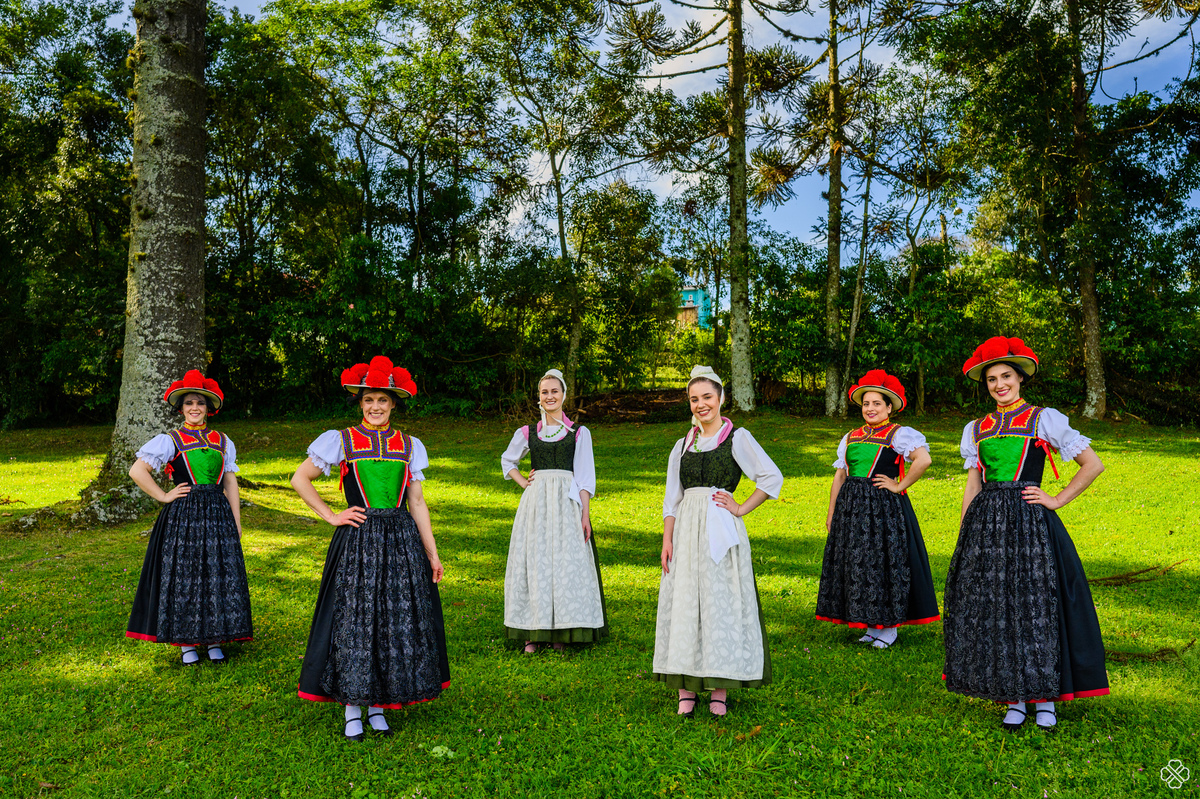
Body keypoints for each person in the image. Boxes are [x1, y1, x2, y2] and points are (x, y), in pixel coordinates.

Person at [944, 337, 1109, 732]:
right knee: (998, 608)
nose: (999, 384)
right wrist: (966, 531)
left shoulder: (1043, 419)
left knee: (1035, 605)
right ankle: (1014, 697)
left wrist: (1056, 499)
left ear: (1020, 378)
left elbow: (1092, 464)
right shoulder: (976, 428)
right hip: (987, 525)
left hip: (1030, 524)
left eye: (1006, 376)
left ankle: (1044, 698)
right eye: (991, 379)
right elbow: (974, 483)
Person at [291, 357, 449, 741]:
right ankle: (351, 708)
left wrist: (432, 553)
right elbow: (300, 478)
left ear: (393, 404)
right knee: (355, 619)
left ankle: (378, 705)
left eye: (382, 400)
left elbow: (417, 502)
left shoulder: (409, 445)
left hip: (400, 542)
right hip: (358, 540)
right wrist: (332, 515)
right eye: (368, 400)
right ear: (360, 403)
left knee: (391, 621)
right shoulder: (341, 440)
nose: (375, 407)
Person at [653, 365, 783, 717]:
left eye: (707, 397)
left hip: (720, 530)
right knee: (686, 602)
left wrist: (740, 508)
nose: (701, 404)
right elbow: (671, 499)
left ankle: (719, 689)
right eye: (694, 399)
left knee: (719, 603)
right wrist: (667, 539)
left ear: (721, 397)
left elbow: (771, 477)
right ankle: (685, 688)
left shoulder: (736, 438)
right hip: (686, 531)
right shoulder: (682, 445)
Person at [126, 370, 252, 665]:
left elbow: (230, 481)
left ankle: (214, 638)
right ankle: (187, 643)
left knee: (216, 573)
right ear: (181, 409)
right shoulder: (170, 440)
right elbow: (137, 470)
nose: (195, 408)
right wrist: (163, 495)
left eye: (200, 403)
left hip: (218, 514)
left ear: (209, 408)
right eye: (189, 403)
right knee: (187, 574)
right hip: (185, 516)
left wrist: (236, 520)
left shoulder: (223, 440)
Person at [815, 369, 939, 648]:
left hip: (883, 510)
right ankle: (871, 624)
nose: (870, 408)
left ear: (889, 407)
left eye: (877, 404)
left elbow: (923, 460)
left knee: (884, 562)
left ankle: (889, 627)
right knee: (858, 561)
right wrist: (832, 512)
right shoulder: (851, 437)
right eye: (866, 404)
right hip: (851, 509)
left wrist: (899, 485)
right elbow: (840, 475)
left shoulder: (899, 434)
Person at [501, 368, 606, 652]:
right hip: (536, 504)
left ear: (563, 395)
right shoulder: (528, 432)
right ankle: (533, 631)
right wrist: (524, 482)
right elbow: (508, 461)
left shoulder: (578, 433)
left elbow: (584, 477)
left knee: (563, 562)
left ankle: (562, 629)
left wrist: (585, 514)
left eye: (554, 391)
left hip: (566, 503)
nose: (549, 396)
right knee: (536, 561)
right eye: (544, 392)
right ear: (539, 397)